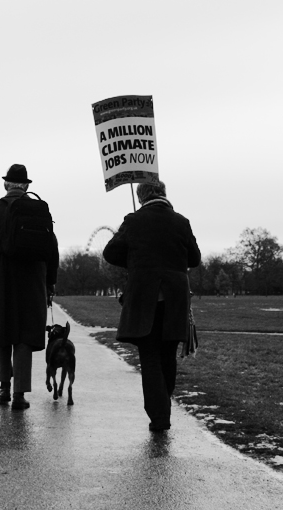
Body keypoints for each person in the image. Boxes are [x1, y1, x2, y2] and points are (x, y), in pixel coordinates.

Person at [102, 180, 200, 431]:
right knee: (167, 354)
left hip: (145, 298)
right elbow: (195, 258)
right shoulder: (181, 222)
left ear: (141, 196)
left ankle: (159, 416)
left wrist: (135, 259)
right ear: (164, 194)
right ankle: (162, 405)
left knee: (150, 357)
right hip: (175, 299)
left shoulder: (134, 221)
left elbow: (110, 253)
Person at [0, 164, 58, 410]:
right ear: (27, 185)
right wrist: (50, 283)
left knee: (3, 333)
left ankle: (3, 389)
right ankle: (20, 394)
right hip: (33, 281)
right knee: (25, 338)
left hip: (3, 279)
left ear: (6, 184)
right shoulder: (40, 209)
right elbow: (52, 248)